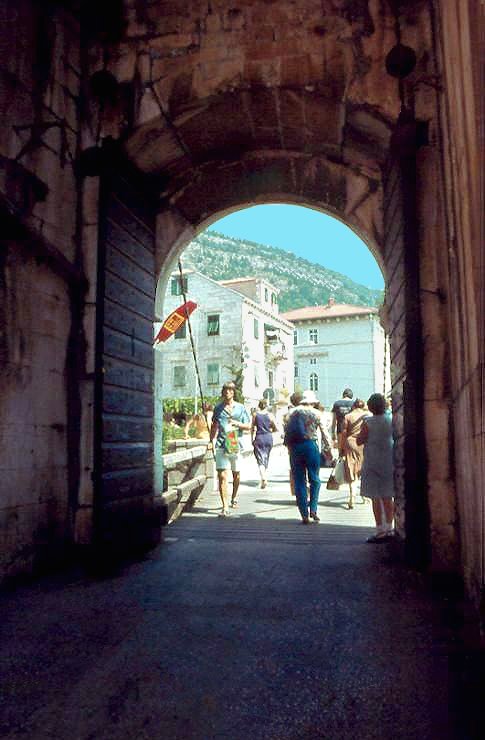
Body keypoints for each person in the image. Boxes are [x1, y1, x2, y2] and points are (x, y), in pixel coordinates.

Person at [284, 389, 332, 524]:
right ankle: (314, 509)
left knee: (299, 480)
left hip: (295, 448)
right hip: (311, 446)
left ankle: (304, 514)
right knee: (315, 479)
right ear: (312, 402)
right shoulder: (317, 413)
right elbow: (325, 433)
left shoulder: (290, 413)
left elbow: (286, 431)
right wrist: (328, 449)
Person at [356, 393, 394, 542]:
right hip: (389, 459)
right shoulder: (391, 420)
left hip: (372, 460)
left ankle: (379, 530)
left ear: (370, 407)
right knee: (388, 495)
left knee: (375, 497)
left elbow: (360, 440)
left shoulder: (367, 422)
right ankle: (389, 528)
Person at [209, 381, 251, 516]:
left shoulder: (240, 408)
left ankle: (233, 497)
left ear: (234, 392)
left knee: (236, 474)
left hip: (235, 443)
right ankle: (225, 506)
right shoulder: (218, 408)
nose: (227, 392)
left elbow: (249, 425)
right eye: (225, 390)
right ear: (223, 392)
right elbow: (214, 426)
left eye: (230, 390)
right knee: (221, 475)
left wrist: (237, 423)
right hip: (221, 443)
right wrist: (210, 440)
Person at [341, 398, 368, 509]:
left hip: (350, 442)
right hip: (363, 444)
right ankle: (364, 496)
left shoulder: (347, 416)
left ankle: (352, 495)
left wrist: (341, 447)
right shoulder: (367, 416)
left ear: (353, 406)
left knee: (351, 470)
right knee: (362, 469)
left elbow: (343, 433)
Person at [251, 399, 278, 488]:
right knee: (266, 457)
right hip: (268, 438)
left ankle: (263, 478)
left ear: (259, 405)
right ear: (266, 406)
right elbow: (276, 428)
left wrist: (252, 439)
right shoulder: (270, 415)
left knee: (259, 459)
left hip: (259, 437)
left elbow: (251, 428)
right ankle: (264, 478)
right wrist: (270, 429)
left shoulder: (255, 415)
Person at [331, 388, 354, 454]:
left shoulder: (337, 403)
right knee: (350, 452)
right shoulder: (354, 403)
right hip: (350, 431)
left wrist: (333, 432)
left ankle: (341, 462)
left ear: (343, 395)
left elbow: (334, 420)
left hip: (340, 430)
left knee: (340, 452)